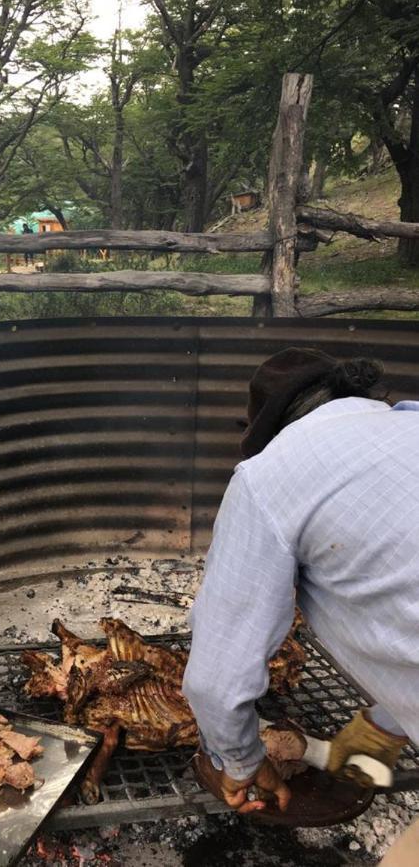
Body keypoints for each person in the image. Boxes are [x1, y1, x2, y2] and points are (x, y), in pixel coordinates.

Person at [182, 348, 419, 863]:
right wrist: (383, 727)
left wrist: (241, 763)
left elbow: (215, 681)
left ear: (264, 430)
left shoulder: (270, 475)